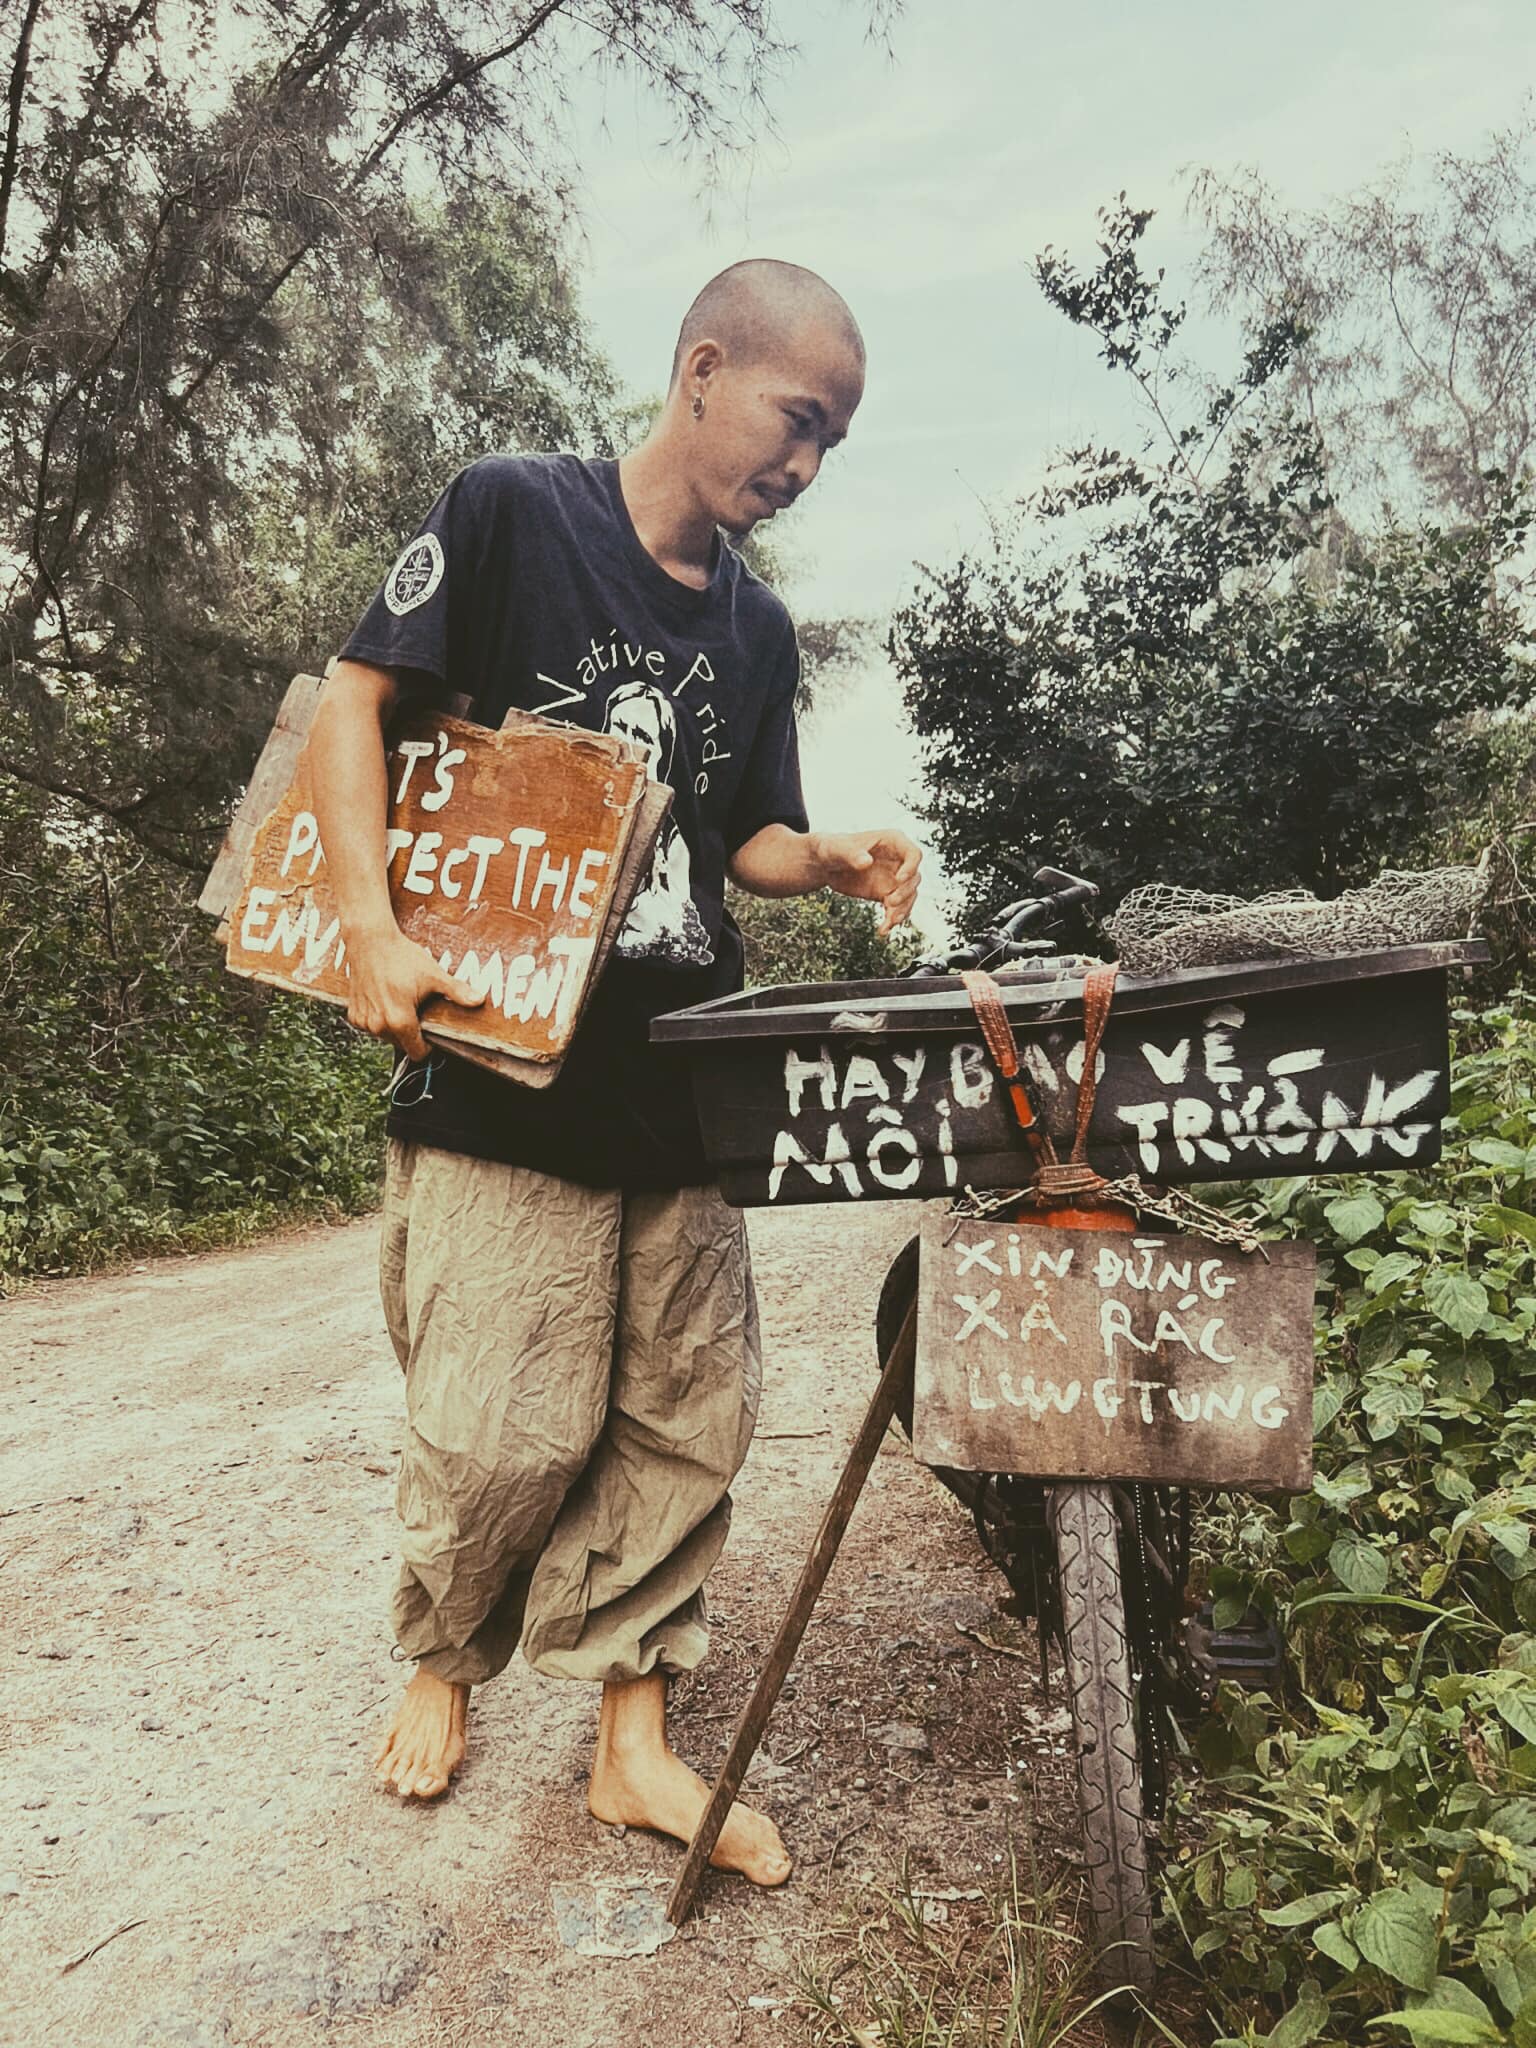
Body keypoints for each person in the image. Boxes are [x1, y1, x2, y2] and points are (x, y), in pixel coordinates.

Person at [308, 258, 922, 1888]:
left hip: (679, 1084)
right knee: (499, 1417)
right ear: (706, 369)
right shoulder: (516, 514)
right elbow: (353, 710)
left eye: (832, 446)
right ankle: (443, 1658)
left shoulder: (758, 623)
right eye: (799, 421)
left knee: (683, 1414)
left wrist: (832, 855)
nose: (802, 464)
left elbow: (745, 840)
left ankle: (632, 1742)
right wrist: (371, 929)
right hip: (503, 1068)